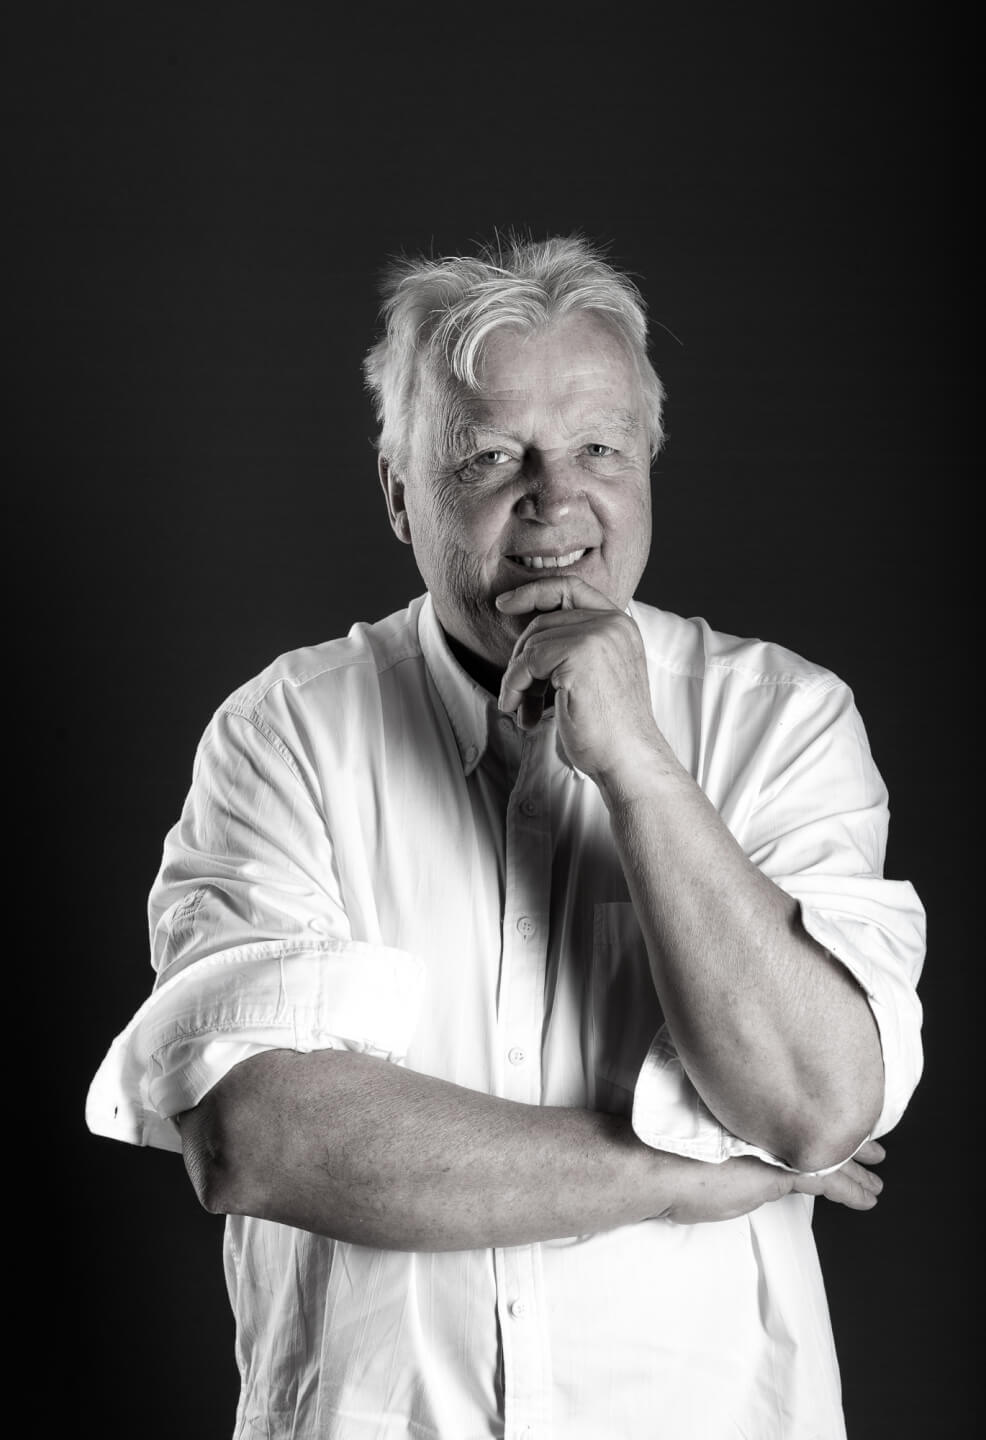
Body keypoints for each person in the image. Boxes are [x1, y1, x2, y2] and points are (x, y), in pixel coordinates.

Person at [87, 234, 925, 1439]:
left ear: (646, 468)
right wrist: (679, 1173)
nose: (554, 499)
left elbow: (809, 1105)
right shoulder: (286, 734)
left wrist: (636, 764)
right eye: (489, 455)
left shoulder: (784, 720)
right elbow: (255, 1136)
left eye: (598, 450)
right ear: (398, 492)